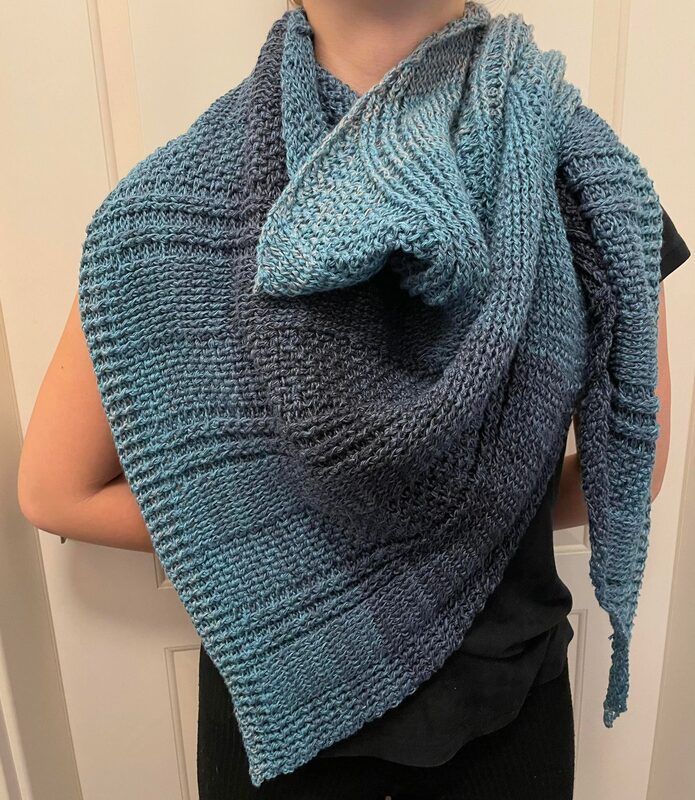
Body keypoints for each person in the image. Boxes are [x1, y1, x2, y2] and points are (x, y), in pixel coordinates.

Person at [17, 1, 691, 799]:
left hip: (509, 730)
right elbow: (56, 490)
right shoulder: (163, 224)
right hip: (285, 723)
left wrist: (398, 521)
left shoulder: (590, 187)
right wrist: (342, 529)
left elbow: (630, 468)